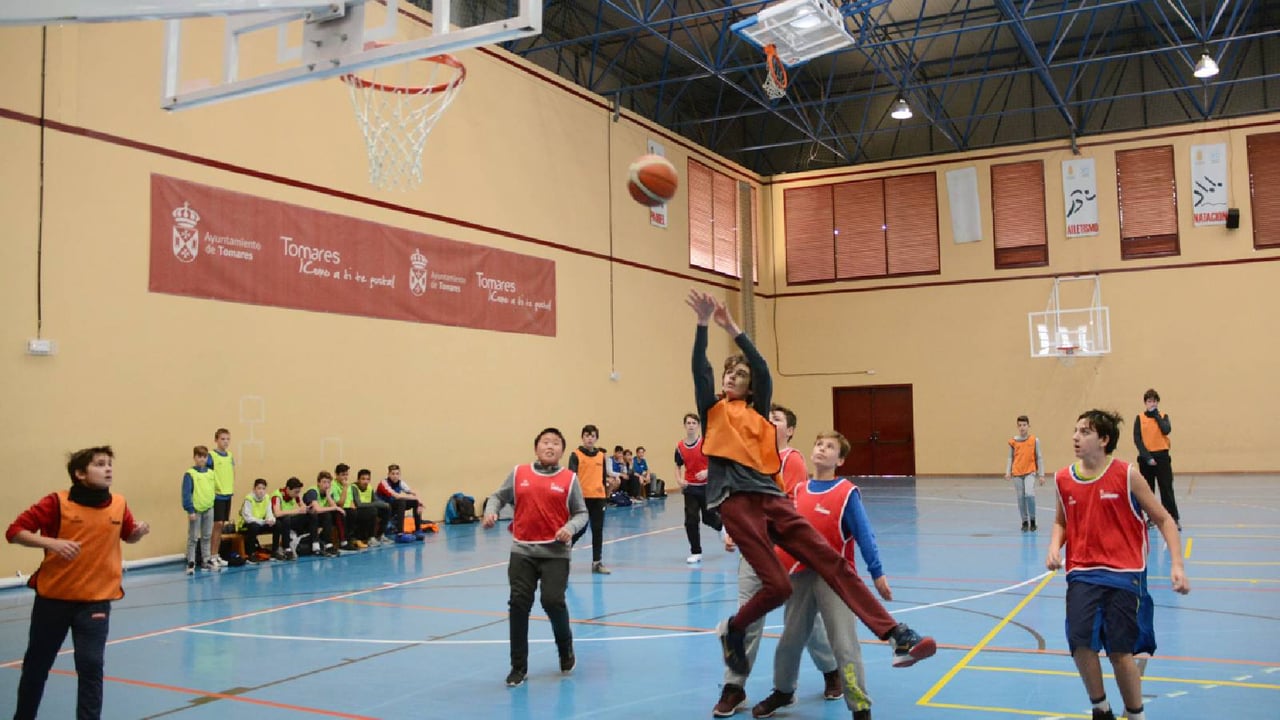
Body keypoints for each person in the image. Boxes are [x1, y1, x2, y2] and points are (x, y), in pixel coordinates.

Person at [685, 288, 934, 677]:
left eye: (740, 375)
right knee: (778, 588)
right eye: (728, 374)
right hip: (734, 501)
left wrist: (733, 328)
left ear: (752, 389)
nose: (732, 378)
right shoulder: (713, 408)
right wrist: (702, 325)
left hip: (770, 496)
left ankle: (896, 634)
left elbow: (763, 369)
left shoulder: (759, 411)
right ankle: (733, 630)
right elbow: (699, 369)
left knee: (831, 561)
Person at [1047, 409, 1190, 720]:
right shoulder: (1063, 479)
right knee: (1080, 643)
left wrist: (1177, 564)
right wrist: (1053, 546)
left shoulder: (1127, 475)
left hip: (1125, 576)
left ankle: (1136, 714)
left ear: (1104, 439)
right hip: (1082, 573)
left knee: (1119, 652)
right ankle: (1101, 708)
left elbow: (1164, 519)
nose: (1075, 437)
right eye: (1075, 430)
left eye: (1084, 432)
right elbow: (1061, 521)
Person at [753, 431, 891, 720]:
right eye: (819, 444)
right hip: (800, 576)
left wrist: (877, 573)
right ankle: (783, 690)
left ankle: (860, 706)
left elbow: (865, 535)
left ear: (839, 460)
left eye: (830, 447)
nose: (822, 449)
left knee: (844, 645)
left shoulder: (846, 493)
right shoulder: (799, 491)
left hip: (836, 580)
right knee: (789, 640)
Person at [6, 445, 151, 720]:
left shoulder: (119, 503)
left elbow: (128, 535)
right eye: (100, 464)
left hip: (96, 600)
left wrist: (138, 533)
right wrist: (52, 542)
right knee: (37, 666)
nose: (108, 468)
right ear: (80, 473)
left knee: (91, 666)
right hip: (53, 599)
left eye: (109, 463)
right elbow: (14, 532)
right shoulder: (56, 503)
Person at [715, 405, 841, 717]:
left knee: (804, 624)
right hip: (752, 552)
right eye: (767, 417)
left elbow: (790, 508)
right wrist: (730, 529)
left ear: (790, 430)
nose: (771, 421)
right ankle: (734, 687)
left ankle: (831, 670)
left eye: (779, 418)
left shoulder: (792, 460)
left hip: (784, 554)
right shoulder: (747, 458)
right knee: (747, 618)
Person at [481, 427, 589, 688]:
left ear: (562, 450)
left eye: (555, 443)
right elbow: (497, 496)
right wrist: (491, 511)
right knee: (518, 605)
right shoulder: (520, 473)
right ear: (536, 447)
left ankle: (566, 650)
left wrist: (569, 528)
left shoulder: (569, 479)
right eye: (545, 442)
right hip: (523, 551)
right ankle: (518, 666)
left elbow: (581, 513)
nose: (550, 446)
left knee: (552, 601)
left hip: (555, 553)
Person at [675, 412, 730, 564]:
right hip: (690, 488)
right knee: (691, 520)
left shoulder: (706, 443)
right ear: (684, 426)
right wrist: (679, 480)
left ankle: (721, 527)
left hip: (706, 487)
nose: (691, 425)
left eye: (694, 423)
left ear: (698, 426)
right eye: (688, 423)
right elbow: (677, 466)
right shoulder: (680, 447)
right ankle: (696, 551)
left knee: (708, 517)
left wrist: (707, 472)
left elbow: (718, 462)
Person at [568, 424, 621, 574]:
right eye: (587, 435)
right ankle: (564, 551)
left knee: (598, 530)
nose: (590, 438)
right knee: (580, 528)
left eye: (592, 436)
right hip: (582, 498)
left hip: (598, 498)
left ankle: (597, 562)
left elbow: (603, 477)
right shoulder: (576, 455)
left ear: (596, 438)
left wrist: (608, 490)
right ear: (582, 437)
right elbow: (572, 478)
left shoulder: (600, 456)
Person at [1133, 389, 1180, 530]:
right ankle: (1151, 518)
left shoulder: (1163, 416)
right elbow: (1137, 439)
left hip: (1162, 457)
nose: (1151, 403)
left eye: (1154, 401)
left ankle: (1173, 518)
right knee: (1148, 490)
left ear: (1157, 402)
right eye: (1149, 401)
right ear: (1145, 403)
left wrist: (1157, 417)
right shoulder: (1139, 418)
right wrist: (1147, 457)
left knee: (1166, 488)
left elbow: (1166, 430)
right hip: (1146, 458)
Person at [182, 445, 219, 575]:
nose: (202, 459)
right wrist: (190, 510)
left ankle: (206, 560)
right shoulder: (190, 474)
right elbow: (186, 493)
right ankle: (191, 562)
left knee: (207, 535)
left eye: (204, 456)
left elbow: (213, 489)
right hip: (196, 510)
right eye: (199, 456)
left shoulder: (210, 473)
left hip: (209, 508)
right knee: (193, 537)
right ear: (194, 457)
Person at [1005, 415, 1044, 532]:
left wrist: (1041, 474)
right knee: (1020, 498)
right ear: (1017, 427)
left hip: (1030, 471)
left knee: (1029, 494)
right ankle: (1024, 521)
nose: (1022, 427)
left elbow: (1039, 458)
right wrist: (1008, 472)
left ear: (1028, 426)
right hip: (1017, 473)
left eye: (1024, 425)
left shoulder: (1034, 440)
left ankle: (1033, 520)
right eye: (1020, 425)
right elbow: (1010, 458)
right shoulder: (1014, 441)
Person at [207, 427, 235, 568]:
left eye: (227, 439)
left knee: (222, 525)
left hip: (227, 494)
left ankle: (216, 555)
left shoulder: (230, 456)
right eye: (222, 439)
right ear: (216, 440)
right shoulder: (211, 456)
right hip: (216, 495)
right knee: (216, 525)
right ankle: (211, 556)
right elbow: (207, 475)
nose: (225, 442)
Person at [331, 463, 375, 549]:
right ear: (336, 474)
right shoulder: (333, 485)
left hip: (349, 508)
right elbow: (340, 504)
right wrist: (344, 488)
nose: (345, 477)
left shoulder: (349, 485)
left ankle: (363, 538)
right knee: (350, 514)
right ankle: (346, 541)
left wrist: (354, 507)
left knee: (371, 512)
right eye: (343, 475)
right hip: (339, 509)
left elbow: (351, 501)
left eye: (347, 474)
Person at [377, 464, 426, 537]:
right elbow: (397, 496)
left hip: (394, 505)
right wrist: (416, 498)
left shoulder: (400, 483)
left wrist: (420, 503)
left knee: (415, 502)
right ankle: (400, 533)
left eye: (397, 474)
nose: (395, 476)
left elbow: (414, 492)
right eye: (393, 474)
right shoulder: (383, 483)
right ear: (388, 474)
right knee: (401, 501)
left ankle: (418, 530)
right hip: (384, 508)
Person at [302, 471, 343, 556]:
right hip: (306, 518)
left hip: (319, 518)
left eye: (328, 482)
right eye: (324, 482)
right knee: (316, 514)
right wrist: (335, 507)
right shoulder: (313, 491)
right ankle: (315, 546)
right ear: (318, 483)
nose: (326, 485)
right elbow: (316, 509)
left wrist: (328, 496)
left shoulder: (328, 493)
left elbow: (334, 508)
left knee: (329, 515)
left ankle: (328, 544)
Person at [238, 477, 277, 561]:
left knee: (278, 525)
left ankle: (275, 551)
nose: (261, 491)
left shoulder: (267, 498)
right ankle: (251, 554)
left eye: (263, 488)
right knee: (254, 526)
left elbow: (269, 513)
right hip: (246, 525)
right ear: (254, 489)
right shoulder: (249, 499)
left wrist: (271, 520)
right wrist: (263, 521)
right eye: (259, 488)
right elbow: (248, 518)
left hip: (261, 523)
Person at [270, 477, 307, 560]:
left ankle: (303, 540)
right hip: (277, 520)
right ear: (288, 489)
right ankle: (286, 547)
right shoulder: (277, 496)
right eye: (296, 492)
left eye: (299, 492)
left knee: (308, 516)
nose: (297, 494)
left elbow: (303, 507)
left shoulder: (295, 495)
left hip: (288, 518)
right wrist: (296, 511)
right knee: (285, 519)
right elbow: (277, 513)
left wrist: (307, 508)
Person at [353, 468, 390, 546]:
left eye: (368, 479)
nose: (366, 481)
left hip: (368, 509)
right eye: (363, 479)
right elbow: (358, 504)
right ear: (358, 479)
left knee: (386, 508)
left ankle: (380, 535)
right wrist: (374, 504)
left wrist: (385, 504)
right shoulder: (354, 487)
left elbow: (375, 500)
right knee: (373, 510)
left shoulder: (369, 488)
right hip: (357, 511)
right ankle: (371, 538)